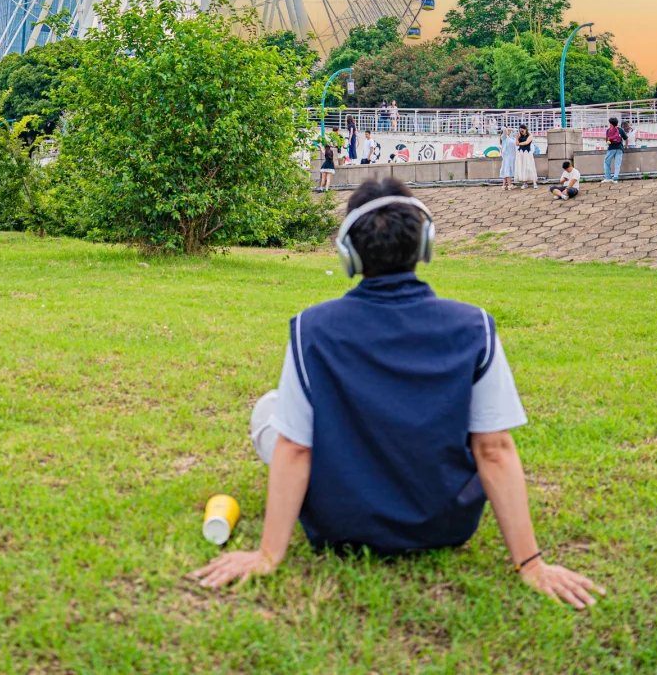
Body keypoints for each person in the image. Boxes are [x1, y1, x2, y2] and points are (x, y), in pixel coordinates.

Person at [193, 180, 604, 609]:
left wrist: (267, 555)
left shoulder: (311, 329)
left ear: (349, 253)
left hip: (340, 526)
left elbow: (296, 449)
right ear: (425, 244)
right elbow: (495, 449)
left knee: (269, 408)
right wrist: (532, 563)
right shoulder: (475, 326)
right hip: (446, 526)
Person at [603, 118, 625, 182]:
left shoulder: (608, 130)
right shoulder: (620, 130)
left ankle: (608, 177)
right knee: (617, 163)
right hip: (619, 148)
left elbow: (607, 140)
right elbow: (626, 138)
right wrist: (626, 146)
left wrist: (608, 142)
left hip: (611, 148)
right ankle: (615, 178)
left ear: (611, 124)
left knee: (606, 162)